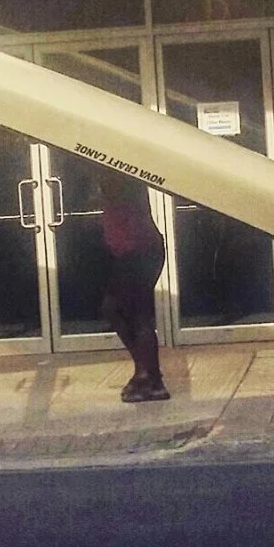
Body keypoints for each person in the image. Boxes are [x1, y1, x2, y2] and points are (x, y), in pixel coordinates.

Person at [98, 171, 170, 402]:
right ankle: (149, 375)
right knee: (119, 310)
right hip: (135, 250)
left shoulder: (118, 178)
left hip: (138, 250)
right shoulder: (114, 179)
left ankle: (148, 376)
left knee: (133, 314)